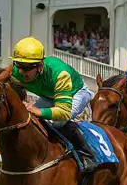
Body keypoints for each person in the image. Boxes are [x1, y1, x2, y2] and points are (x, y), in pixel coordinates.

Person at [10, 37, 97, 172]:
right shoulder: (16, 71)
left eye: (26, 68)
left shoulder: (60, 74)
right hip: (50, 95)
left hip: (75, 93)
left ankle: (87, 155)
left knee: (57, 121)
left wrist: (39, 111)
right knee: (30, 120)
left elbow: (63, 111)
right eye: (18, 65)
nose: (21, 72)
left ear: (40, 66)